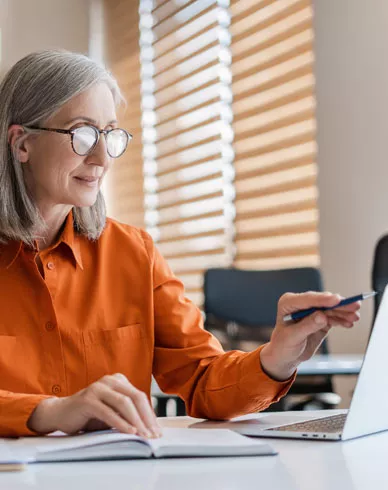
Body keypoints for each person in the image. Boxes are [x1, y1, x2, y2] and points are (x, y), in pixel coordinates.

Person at [0, 50, 360, 439]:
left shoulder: (133, 253)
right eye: (83, 133)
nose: (102, 157)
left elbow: (203, 380)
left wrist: (276, 356)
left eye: (110, 134)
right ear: (22, 144)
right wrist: (46, 412)